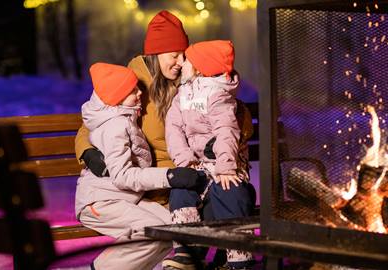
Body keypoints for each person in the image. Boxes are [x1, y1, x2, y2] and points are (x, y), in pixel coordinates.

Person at [75, 10, 254, 270]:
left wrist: (226, 138)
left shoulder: (192, 81)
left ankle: (197, 259)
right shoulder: (134, 86)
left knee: (205, 209)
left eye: (185, 55)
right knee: (175, 225)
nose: (181, 62)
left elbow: (229, 113)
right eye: (174, 55)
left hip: (186, 181)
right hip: (158, 185)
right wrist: (88, 152)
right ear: (156, 54)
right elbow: (93, 124)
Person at [76, 62, 204, 270]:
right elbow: (122, 176)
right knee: (153, 231)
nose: (139, 93)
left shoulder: (124, 118)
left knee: (171, 228)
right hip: (99, 202)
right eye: (131, 90)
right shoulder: (115, 126)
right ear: (117, 97)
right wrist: (169, 176)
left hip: (124, 197)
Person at [162, 40, 255, 270]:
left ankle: (238, 258)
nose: (182, 63)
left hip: (225, 167)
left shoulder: (217, 95)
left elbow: (226, 131)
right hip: (198, 166)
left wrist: (225, 166)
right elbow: (173, 129)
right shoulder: (182, 94)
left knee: (230, 193)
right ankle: (186, 249)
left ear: (200, 68)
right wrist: (185, 160)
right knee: (181, 191)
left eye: (187, 60)